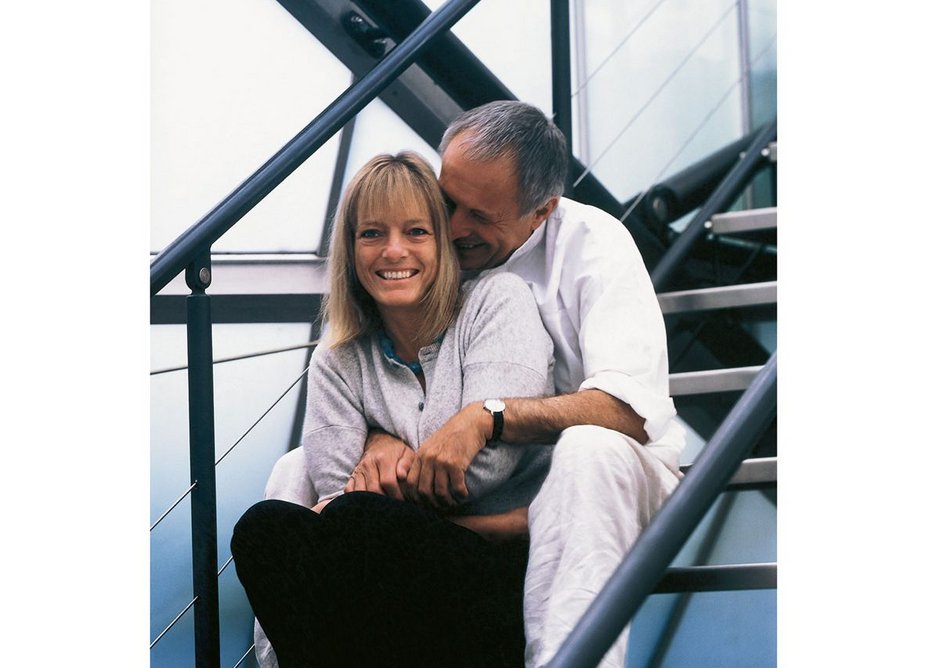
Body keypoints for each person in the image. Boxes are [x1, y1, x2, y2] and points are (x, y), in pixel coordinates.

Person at [345, 100, 686, 667]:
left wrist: (486, 417)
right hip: (475, 486)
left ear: (542, 210)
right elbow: (376, 366)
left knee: (589, 450)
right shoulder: (431, 245)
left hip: (603, 479)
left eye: (480, 215)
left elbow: (630, 411)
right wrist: (378, 436)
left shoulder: (593, 245)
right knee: (295, 470)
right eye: (448, 200)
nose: (454, 228)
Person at [231, 151, 556, 667]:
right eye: (372, 234)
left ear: (442, 242)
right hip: (385, 578)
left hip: (498, 572)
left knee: (361, 526)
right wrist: (399, 458)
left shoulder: (497, 301)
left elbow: (485, 467)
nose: (394, 251)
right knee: (264, 530)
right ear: (351, 250)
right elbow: (339, 493)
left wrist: (388, 449)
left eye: (417, 231)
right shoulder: (338, 359)